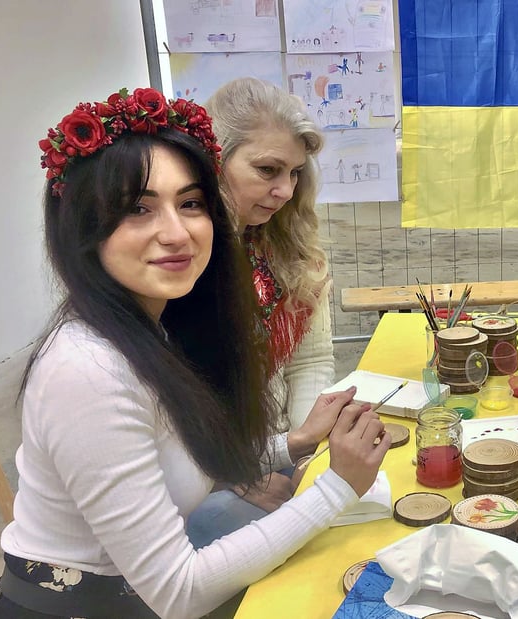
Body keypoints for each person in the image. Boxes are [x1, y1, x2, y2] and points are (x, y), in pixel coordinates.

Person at [0, 87, 390, 618]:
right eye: (138, 208)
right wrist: (336, 488)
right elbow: (179, 592)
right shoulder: (88, 369)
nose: (176, 233)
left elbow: (182, 463)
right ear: (84, 227)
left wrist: (294, 443)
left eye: (190, 204)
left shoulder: (149, 327)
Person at [185, 77, 339, 546]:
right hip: (203, 471)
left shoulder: (293, 251)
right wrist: (234, 474)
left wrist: (305, 452)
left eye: (294, 173)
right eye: (268, 170)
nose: (286, 191)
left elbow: (310, 361)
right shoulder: (180, 260)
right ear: (213, 160)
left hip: (279, 451)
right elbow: (171, 405)